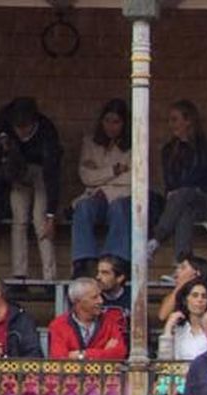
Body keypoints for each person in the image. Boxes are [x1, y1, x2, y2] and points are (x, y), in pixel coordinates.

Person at [150, 100, 207, 267]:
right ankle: (182, 265)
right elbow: (170, 183)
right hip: (183, 204)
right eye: (170, 120)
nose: (171, 124)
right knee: (185, 210)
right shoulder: (169, 150)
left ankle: (156, 239)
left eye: (175, 119)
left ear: (189, 121)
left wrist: (190, 190)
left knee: (185, 194)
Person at [0, 97, 62, 280]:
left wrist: (51, 215)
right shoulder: (6, 121)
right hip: (19, 172)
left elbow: (52, 175)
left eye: (25, 127)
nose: (21, 132)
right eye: (18, 127)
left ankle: (50, 277)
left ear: (34, 122)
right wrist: (4, 139)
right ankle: (19, 275)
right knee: (19, 220)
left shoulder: (48, 134)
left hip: (42, 172)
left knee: (40, 221)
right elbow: (1, 119)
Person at [69, 99, 132, 276]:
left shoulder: (133, 145)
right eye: (107, 121)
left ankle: (114, 261)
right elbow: (86, 176)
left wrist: (101, 181)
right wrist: (115, 170)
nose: (110, 126)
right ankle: (84, 262)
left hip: (122, 196)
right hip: (95, 195)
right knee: (83, 207)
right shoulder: (90, 143)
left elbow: (133, 179)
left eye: (116, 122)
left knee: (119, 208)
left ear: (124, 123)